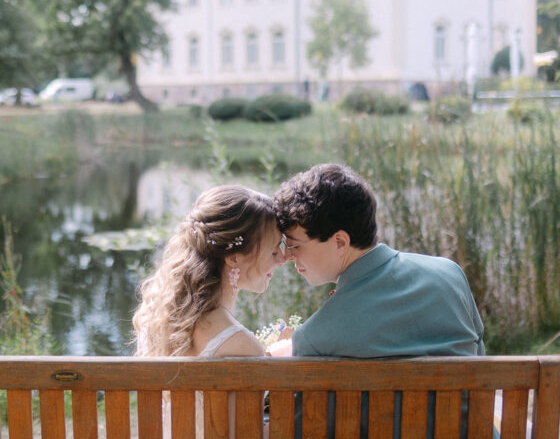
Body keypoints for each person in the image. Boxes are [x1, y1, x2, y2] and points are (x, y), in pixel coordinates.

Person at [274, 163, 485, 358]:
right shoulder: (450, 273)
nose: (287, 256)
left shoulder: (314, 340)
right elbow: (479, 352)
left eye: (294, 245)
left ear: (340, 242)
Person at [133, 185, 287, 438]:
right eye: (273, 250)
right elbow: (247, 434)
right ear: (234, 258)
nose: (281, 259)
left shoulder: (155, 321)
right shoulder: (239, 344)